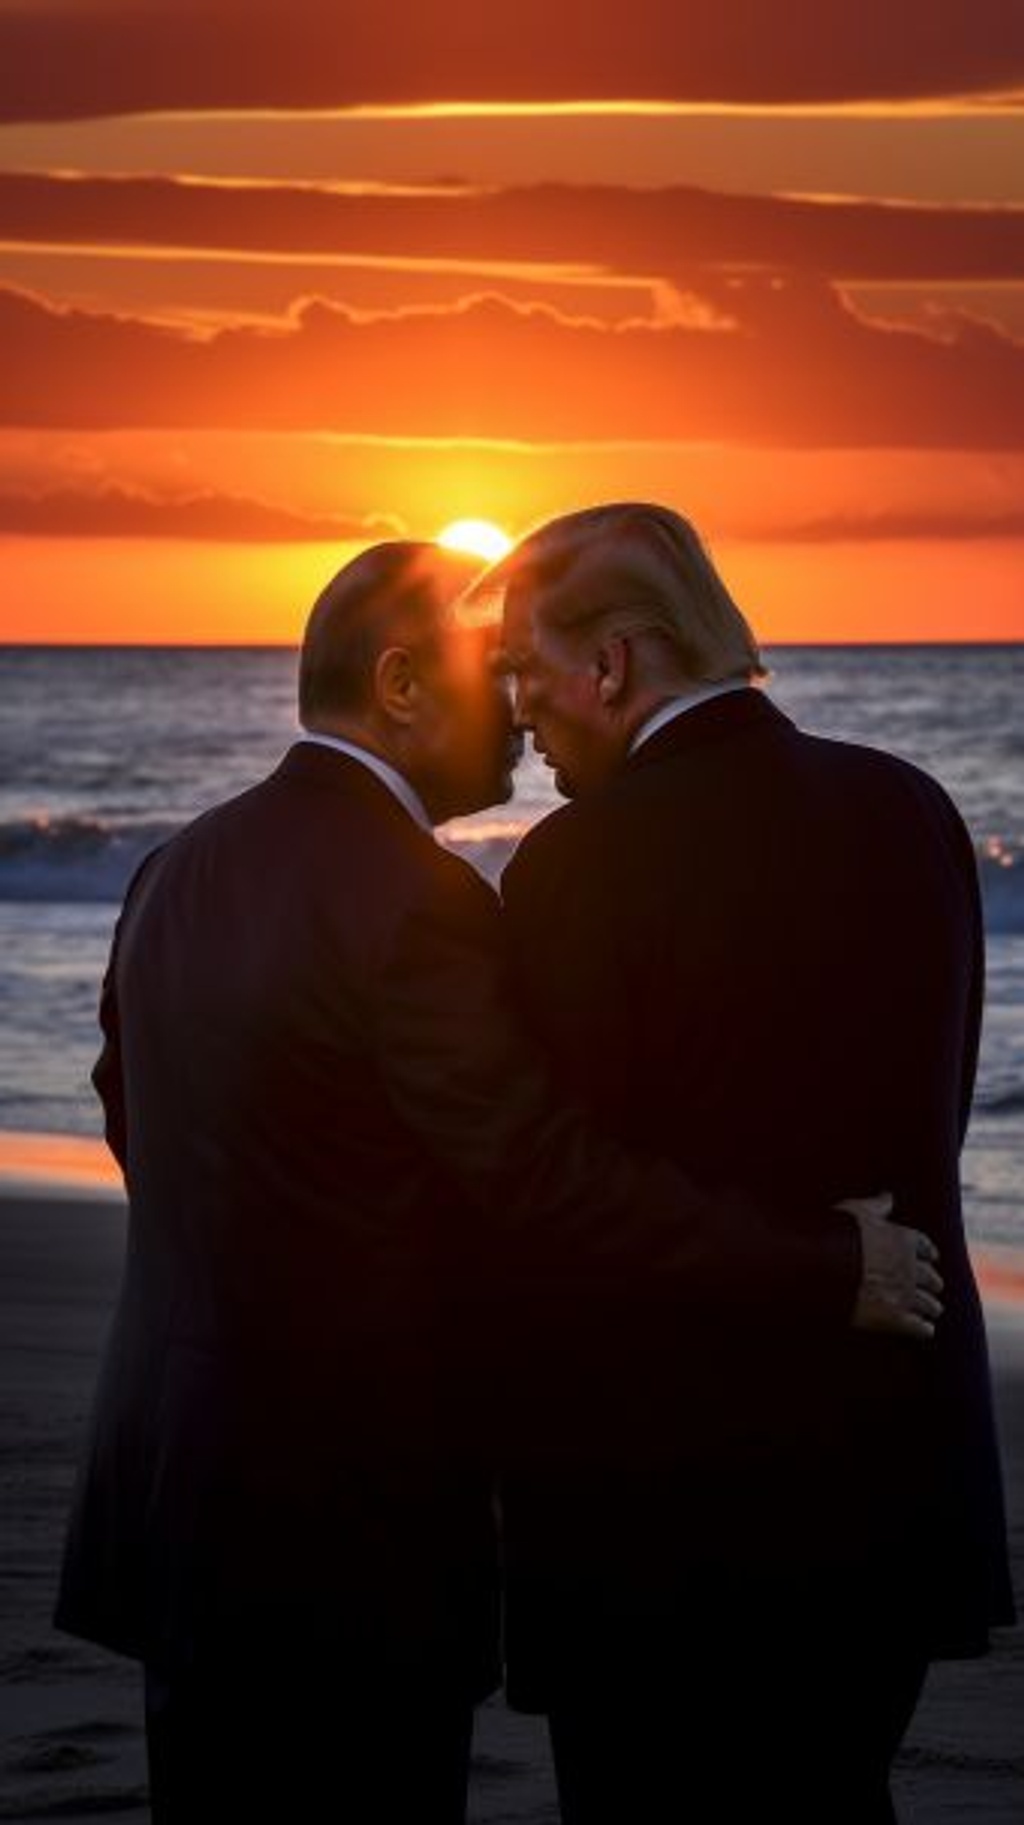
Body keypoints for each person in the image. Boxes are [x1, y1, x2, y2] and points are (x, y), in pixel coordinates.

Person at [54, 540, 940, 1824]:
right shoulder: (418, 902)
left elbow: (134, 1114)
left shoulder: (176, 868)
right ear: (402, 682)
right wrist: (824, 1263)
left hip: (171, 1498)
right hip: (349, 1528)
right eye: (493, 673)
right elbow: (539, 1175)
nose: (522, 714)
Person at [470, 502, 1016, 1823]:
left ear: (610, 664)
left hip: (664, 1506)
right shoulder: (913, 807)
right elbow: (931, 1112)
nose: (523, 723)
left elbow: (569, 1200)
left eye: (529, 679)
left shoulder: (578, 866)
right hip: (889, 1468)